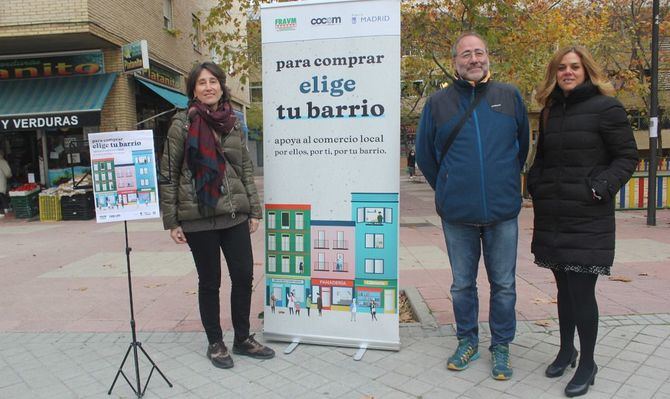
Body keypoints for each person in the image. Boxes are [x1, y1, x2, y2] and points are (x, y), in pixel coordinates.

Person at [416, 32, 529, 380]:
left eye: (479, 52)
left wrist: (505, 183)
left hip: (502, 213)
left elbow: (521, 148)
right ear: (455, 62)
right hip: (458, 215)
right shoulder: (438, 103)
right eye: (466, 54)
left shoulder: (509, 96)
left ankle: (501, 346)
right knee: (462, 285)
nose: (474, 59)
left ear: (488, 57)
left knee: (504, 285)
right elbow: (425, 155)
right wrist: (449, 188)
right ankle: (467, 340)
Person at [528, 46, 637, 397]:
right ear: (554, 73)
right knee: (563, 289)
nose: (568, 72)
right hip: (554, 215)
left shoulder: (607, 107)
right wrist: (536, 185)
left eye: (574, 67)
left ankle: (588, 362)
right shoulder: (550, 111)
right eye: (561, 67)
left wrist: (598, 188)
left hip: (588, 217)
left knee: (582, 291)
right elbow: (542, 158)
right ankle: (566, 350)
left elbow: (626, 157)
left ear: (587, 70)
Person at [160, 61, 275, 370]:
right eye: (201, 82)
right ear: (193, 90)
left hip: (234, 214)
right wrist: (171, 221)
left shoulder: (233, 122)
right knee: (210, 281)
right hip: (198, 216)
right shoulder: (182, 123)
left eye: (213, 81)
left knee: (243, 276)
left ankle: (242, 338)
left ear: (222, 86)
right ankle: (215, 342)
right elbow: (169, 174)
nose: (208, 87)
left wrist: (253, 209)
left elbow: (245, 169)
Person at [0, 149, 11, 216]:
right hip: (0, 182)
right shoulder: (2, 161)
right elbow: (7, 173)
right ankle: (5, 209)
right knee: (1, 194)